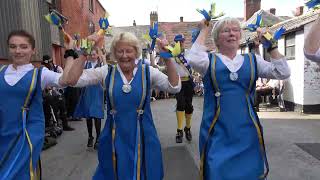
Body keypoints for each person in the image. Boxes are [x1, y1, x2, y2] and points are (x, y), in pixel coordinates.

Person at [186, 18, 290, 179]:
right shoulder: (208, 61)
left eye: (235, 30)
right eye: (226, 30)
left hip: (246, 132)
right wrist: (204, 30)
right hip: (217, 131)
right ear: (216, 37)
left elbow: (282, 72)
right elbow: (192, 58)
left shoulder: (252, 60)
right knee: (217, 171)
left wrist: (271, 45)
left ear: (240, 35)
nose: (232, 33)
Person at [67, 32, 180, 180]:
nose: (124, 55)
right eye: (120, 51)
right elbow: (72, 80)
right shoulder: (107, 71)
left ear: (136, 52)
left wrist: (167, 57)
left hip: (144, 135)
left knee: (144, 172)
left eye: (129, 51)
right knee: (114, 172)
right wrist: (84, 52)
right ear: (114, 53)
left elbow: (175, 87)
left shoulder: (148, 72)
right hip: (114, 135)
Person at [0, 29, 85, 179]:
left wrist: (70, 52)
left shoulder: (40, 74)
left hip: (26, 136)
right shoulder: (1, 72)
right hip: (3, 133)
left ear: (33, 50)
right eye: (13, 46)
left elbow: (67, 80)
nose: (18, 51)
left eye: (23, 46)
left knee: (17, 174)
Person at [73, 48, 104, 149]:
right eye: (91, 54)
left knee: (97, 115)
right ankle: (90, 136)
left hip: (98, 91)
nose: (92, 56)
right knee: (89, 116)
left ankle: (98, 138)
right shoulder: (86, 64)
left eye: (94, 54)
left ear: (97, 55)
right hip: (87, 92)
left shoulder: (102, 65)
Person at [172, 34, 195, 143]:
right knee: (180, 103)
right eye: (177, 42)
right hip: (179, 82)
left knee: (189, 106)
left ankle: (188, 128)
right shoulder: (172, 55)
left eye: (181, 41)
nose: (179, 43)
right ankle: (179, 130)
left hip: (188, 82)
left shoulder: (188, 54)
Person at [42, 55, 75, 131]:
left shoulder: (58, 68)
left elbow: (63, 80)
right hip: (49, 94)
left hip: (59, 92)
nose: (48, 65)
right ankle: (55, 125)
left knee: (63, 109)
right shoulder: (44, 71)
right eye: (46, 64)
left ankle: (65, 125)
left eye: (49, 63)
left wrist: (56, 88)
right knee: (53, 109)